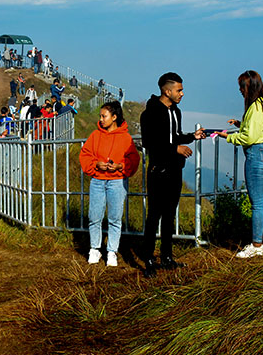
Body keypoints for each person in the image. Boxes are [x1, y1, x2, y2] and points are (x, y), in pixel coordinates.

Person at [140, 72, 206, 278]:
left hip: (175, 170)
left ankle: (167, 257)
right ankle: (148, 259)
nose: (182, 93)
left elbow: (174, 136)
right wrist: (175, 149)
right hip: (158, 170)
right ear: (167, 91)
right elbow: (150, 143)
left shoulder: (176, 112)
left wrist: (191, 137)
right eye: (179, 90)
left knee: (169, 214)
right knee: (154, 216)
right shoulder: (150, 113)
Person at [217, 70, 263, 259]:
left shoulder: (254, 106)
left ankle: (256, 244)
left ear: (249, 86)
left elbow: (250, 136)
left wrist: (228, 136)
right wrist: (240, 123)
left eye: (241, 86)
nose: (240, 90)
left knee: (257, 203)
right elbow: (262, 128)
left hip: (258, 154)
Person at [80, 101, 141, 267]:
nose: (101, 119)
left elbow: (134, 159)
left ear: (114, 117)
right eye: (100, 116)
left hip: (117, 181)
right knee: (94, 216)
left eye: (104, 116)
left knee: (115, 218)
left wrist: (120, 166)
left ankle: (112, 251)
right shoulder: (95, 135)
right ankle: (94, 249)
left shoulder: (126, 138)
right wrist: (96, 164)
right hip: (97, 180)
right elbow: (85, 155)